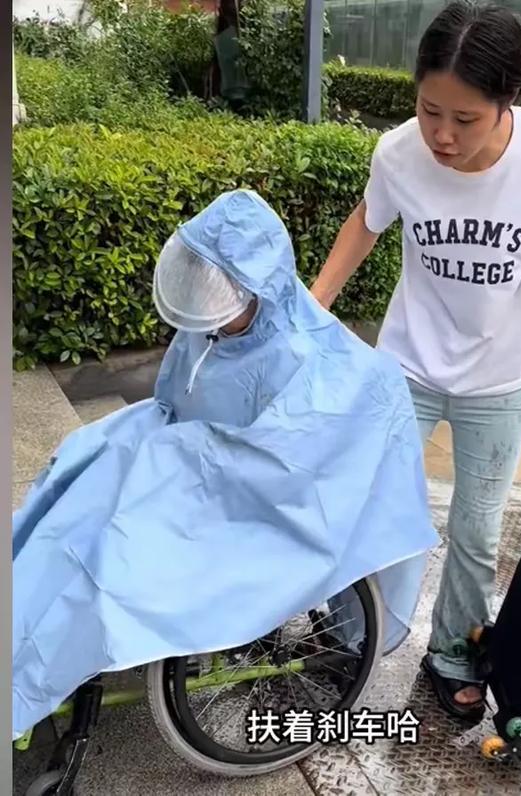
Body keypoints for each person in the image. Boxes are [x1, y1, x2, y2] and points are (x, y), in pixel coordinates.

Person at [12, 188, 439, 740]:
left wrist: (184, 456)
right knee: (74, 481)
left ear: (262, 289)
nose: (210, 312)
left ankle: (27, 679)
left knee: (105, 563)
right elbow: (175, 398)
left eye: (222, 297)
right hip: (189, 470)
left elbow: (289, 470)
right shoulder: (212, 325)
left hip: (245, 504)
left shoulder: (314, 366)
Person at [310, 0, 521, 723]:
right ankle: (346, 636)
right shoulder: (398, 153)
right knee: (367, 503)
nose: (442, 135)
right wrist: (318, 299)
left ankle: (453, 651)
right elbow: (367, 220)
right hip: (405, 367)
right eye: (429, 111)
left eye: (465, 119)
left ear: (507, 101)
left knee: (476, 530)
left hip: (496, 381)